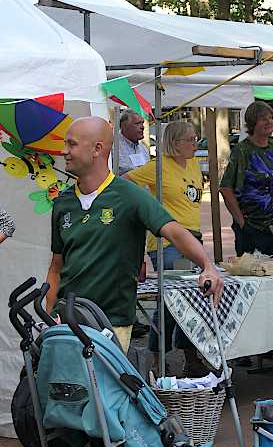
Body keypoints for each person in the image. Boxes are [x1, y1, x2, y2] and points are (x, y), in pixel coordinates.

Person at [45, 117, 222, 354]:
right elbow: (56, 266)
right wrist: (49, 316)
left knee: (104, 390)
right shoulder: (63, 203)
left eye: (72, 144)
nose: (64, 151)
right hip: (67, 319)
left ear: (98, 149)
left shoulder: (129, 196)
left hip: (112, 322)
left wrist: (206, 266)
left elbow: (175, 231)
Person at [125, 121, 207, 376]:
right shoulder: (156, 167)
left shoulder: (193, 163)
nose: (195, 144)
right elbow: (123, 182)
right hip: (168, 242)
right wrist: (144, 209)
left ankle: (188, 355)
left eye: (196, 139)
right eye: (190, 140)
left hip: (193, 238)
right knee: (171, 302)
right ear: (175, 143)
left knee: (192, 299)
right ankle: (157, 357)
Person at [221, 101, 273, 257]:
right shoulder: (243, 150)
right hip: (253, 228)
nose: (269, 122)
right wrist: (242, 223)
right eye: (263, 119)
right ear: (253, 123)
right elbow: (226, 188)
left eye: (271, 117)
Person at [118, 109, 150, 175]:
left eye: (142, 123)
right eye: (137, 123)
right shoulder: (113, 148)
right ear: (124, 126)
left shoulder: (143, 149)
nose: (142, 127)